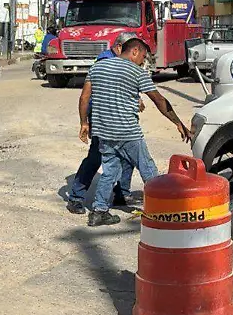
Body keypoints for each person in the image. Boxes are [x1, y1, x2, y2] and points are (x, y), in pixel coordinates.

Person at [79, 32, 192, 226]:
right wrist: (178, 122)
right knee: (148, 169)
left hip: (103, 131)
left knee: (109, 172)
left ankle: (99, 211)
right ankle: (164, 210)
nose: (143, 62)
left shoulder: (97, 67)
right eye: (143, 57)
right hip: (127, 132)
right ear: (135, 51)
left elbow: (84, 97)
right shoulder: (136, 72)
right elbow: (159, 100)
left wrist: (84, 123)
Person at [65, 43, 135, 214]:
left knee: (127, 156)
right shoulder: (105, 61)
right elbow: (88, 96)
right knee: (96, 157)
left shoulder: (122, 62)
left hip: (121, 118)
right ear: (119, 47)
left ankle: (121, 193)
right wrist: (85, 122)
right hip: (103, 119)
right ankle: (76, 197)